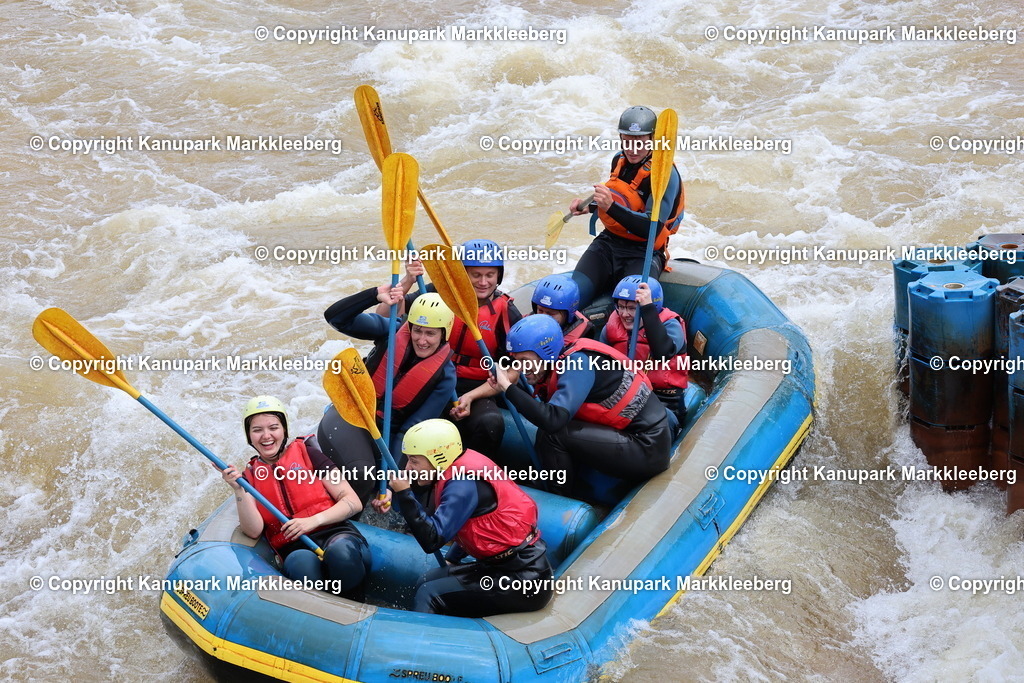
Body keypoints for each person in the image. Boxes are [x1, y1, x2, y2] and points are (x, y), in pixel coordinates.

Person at [372, 419, 553, 617]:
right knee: (426, 580)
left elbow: (432, 540)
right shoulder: (455, 468)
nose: (408, 468)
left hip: (524, 579)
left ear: (438, 458)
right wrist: (453, 559)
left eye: (414, 461)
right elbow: (474, 525)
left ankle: (415, 645)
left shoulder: (462, 483)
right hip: (501, 567)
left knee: (429, 594)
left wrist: (405, 495)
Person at [493, 315, 673, 497]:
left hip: (647, 449)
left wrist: (508, 388)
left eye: (524, 360)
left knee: (552, 434)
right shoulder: (562, 358)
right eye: (515, 360)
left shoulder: (577, 365)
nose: (519, 367)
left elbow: (553, 420)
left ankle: (557, 498)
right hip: (635, 438)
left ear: (546, 353)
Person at [219, 396, 371, 598]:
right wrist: (238, 490)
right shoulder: (249, 478)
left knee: (340, 552)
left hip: (336, 534)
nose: (266, 436)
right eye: (257, 430)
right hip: (294, 548)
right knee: (301, 563)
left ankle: (354, 601)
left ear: (284, 430)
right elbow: (253, 531)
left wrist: (312, 521)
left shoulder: (309, 452)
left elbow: (352, 502)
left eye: (273, 427)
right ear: (249, 436)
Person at [324, 286, 457, 474]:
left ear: (444, 334)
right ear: (409, 326)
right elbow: (335, 317)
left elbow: (410, 430)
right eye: (417, 331)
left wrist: (392, 474)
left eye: (430, 333)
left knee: (378, 477)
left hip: (387, 434)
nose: (421, 340)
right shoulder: (391, 331)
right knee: (361, 473)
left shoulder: (446, 376)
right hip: (350, 413)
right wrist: (374, 295)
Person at [567, 105, 685, 308]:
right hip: (609, 243)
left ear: (653, 139)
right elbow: (625, 200)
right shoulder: (619, 160)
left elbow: (651, 228)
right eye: (627, 142)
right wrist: (592, 206)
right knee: (570, 296)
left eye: (639, 142)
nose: (632, 149)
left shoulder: (665, 176)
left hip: (643, 251)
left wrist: (610, 206)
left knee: (630, 306)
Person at [600, 275, 688, 423]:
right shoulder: (611, 327)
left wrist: (647, 309)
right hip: (623, 395)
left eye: (632, 308)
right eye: (620, 306)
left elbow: (663, 354)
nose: (624, 314)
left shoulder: (671, 326)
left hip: (662, 399)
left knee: (663, 421)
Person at [530, 274, 594, 344]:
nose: (543, 317)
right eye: (540, 310)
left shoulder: (585, 332)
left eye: (551, 314)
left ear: (567, 315)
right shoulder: (530, 320)